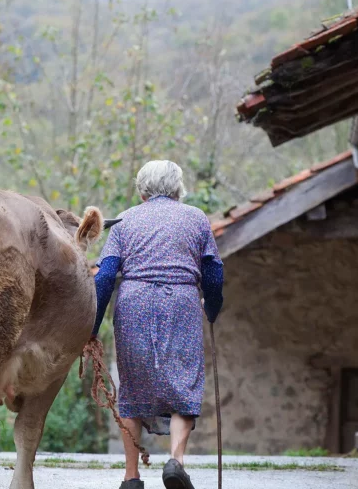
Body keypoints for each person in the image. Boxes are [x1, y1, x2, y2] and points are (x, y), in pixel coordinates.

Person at [92, 160, 224, 489]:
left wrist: (92, 327)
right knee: (184, 384)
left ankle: (131, 477)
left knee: (132, 390)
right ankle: (176, 462)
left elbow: (106, 276)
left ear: (141, 190)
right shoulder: (195, 218)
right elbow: (214, 273)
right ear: (179, 188)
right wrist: (213, 307)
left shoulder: (124, 221)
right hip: (181, 301)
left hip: (133, 302)